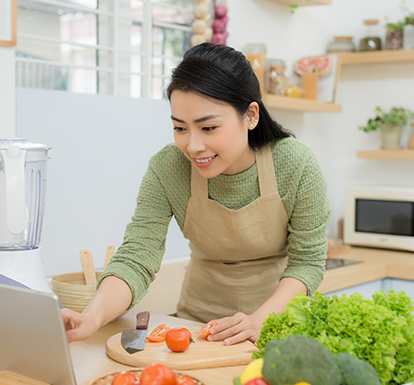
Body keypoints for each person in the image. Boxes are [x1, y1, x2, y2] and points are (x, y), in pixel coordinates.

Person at [61, 42, 331, 346]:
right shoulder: (168, 168)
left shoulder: (296, 164)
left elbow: (307, 262)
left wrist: (259, 320)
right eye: (180, 128)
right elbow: (137, 257)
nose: (193, 146)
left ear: (251, 115)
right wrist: (92, 317)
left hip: (279, 327)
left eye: (209, 128)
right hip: (197, 328)